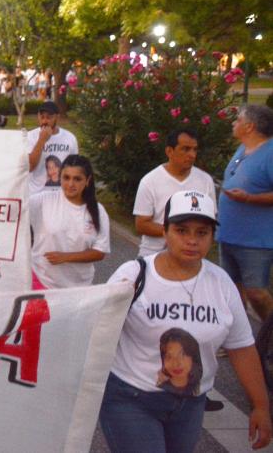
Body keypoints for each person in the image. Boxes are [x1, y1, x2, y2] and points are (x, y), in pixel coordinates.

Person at [100, 190, 271, 452]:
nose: (192, 240)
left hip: (190, 406)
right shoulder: (134, 275)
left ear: (212, 237)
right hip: (131, 398)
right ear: (165, 231)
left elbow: (241, 347)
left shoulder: (221, 283)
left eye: (202, 232)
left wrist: (261, 406)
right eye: (182, 230)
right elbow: (95, 328)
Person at [218, 104, 273, 322]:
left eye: (238, 120)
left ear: (249, 126)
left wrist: (249, 199)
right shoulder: (243, 148)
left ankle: (269, 337)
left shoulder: (269, 153)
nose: (234, 123)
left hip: (255, 241)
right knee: (232, 292)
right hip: (228, 235)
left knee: (256, 293)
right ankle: (239, 339)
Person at [134, 128, 216, 258]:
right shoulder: (150, 181)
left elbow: (211, 221)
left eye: (195, 149)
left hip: (192, 257)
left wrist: (191, 236)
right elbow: (141, 224)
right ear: (169, 151)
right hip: (153, 256)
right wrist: (178, 233)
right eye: (185, 149)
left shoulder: (205, 180)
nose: (192, 155)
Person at [30, 155, 109, 289]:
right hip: (42, 281)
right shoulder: (43, 200)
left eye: (77, 179)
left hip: (79, 288)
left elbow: (100, 251)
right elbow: (13, 208)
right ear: (60, 177)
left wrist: (66, 257)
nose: (70, 184)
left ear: (87, 180)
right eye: (66, 177)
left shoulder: (98, 211)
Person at [27, 101, 78, 195]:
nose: (45, 121)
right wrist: (41, 140)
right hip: (36, 194)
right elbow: (29, 167)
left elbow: (74, 168)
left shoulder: (70, 138)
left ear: (57, 117)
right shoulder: (30, 137)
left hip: (61, 194)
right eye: (42, 117)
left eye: (49, 117)